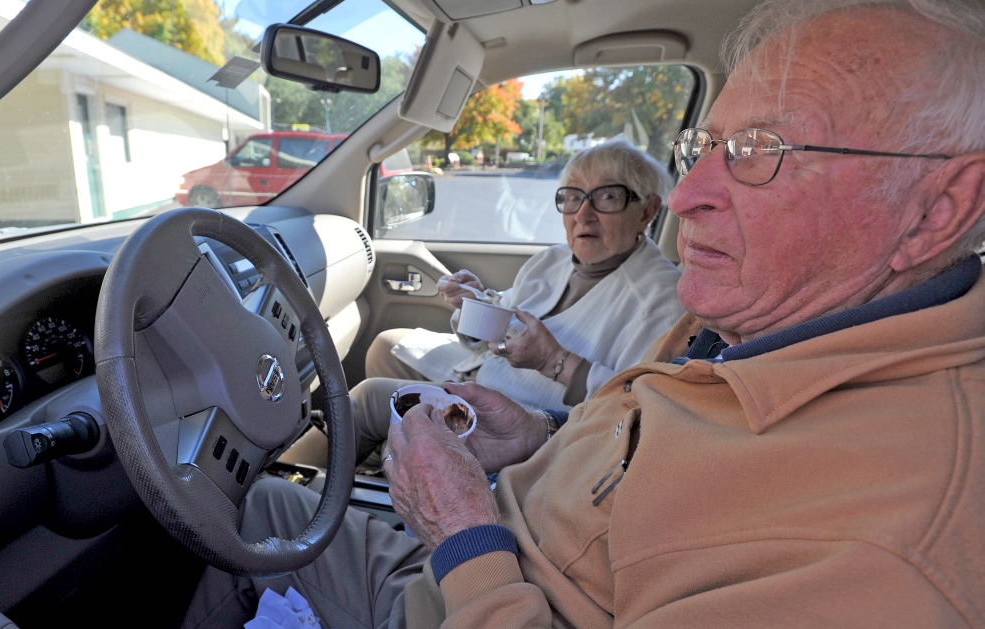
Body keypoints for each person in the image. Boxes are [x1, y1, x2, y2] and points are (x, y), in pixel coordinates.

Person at [184, 1, 985, 627]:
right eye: (704, 149)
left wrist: (461, 527)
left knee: (237, 512)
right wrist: (537, 439)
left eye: (762, 152)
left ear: (939, 208)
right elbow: (650, 449)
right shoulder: (753, 319)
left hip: (461, 586)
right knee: (267, 498)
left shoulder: (890, 552)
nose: (693, 197)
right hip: (504, 532)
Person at [289, 141, 683, 467]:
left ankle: (289, 480)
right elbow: (494, 337)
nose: (583, 214)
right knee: (388, 345)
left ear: (647, 210)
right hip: (482, 376)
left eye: (607, 197)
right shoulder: (553, 260)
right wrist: (474, 305)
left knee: (373, 396)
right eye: (573, 197)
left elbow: (635, 412)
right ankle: (399, 458)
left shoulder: (661, 301)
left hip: (532, 418)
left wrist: (555, 363)